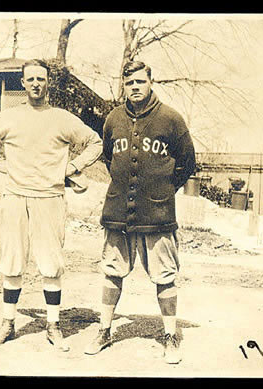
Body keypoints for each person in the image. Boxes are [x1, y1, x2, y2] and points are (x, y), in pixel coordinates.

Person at [0, 59, 102, 352]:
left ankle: (53, 325)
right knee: (12, 261)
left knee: (51, 263)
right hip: (15, 196)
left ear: (48, 82)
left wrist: (73, 166)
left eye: (41, 79)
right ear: (23, 83)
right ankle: (8, 322)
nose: (36, 84)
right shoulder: (10, 117)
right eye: (30, 79)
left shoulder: (62, 119)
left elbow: (95, 142)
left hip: (50, 198)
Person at [84, 61, 196, 364]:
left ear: (151, 81)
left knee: (164, 276)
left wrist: (162, 191)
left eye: (140, 82)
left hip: (157, 214)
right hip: (118, 210)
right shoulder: (113, 119)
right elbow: (109, 158)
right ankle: (104, 330)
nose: (135, 87)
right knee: (112, 271)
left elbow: (188, 163)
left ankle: (171, 336)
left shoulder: (171, 119)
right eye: (129, 82)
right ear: (124, 84)